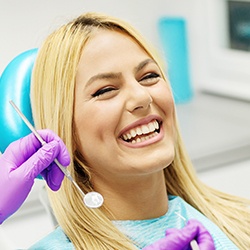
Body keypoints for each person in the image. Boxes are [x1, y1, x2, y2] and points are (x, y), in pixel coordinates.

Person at [1, 12, 249, 249]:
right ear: (64, 129)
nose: (142, 97)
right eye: (105, 90)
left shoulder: (240, 221)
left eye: (149, 76)